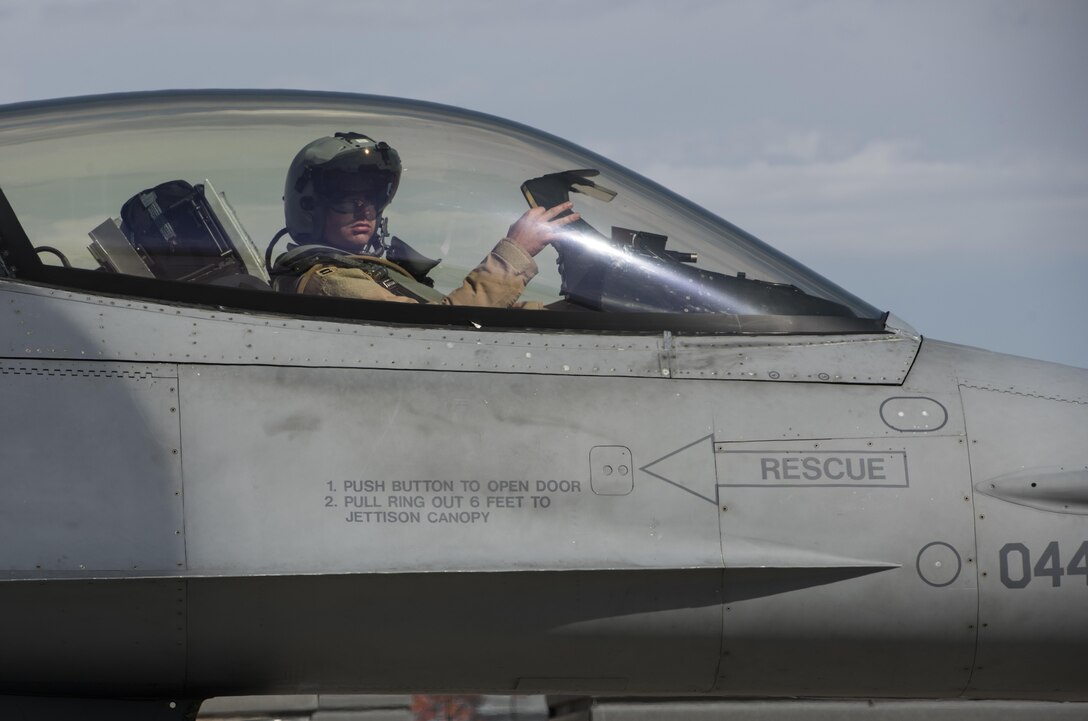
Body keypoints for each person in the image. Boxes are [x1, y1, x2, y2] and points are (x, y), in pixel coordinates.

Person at [270, 132, 579, 307]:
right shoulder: (331, 283)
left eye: (372, 199)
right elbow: (442, 331)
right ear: (311, 206)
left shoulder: (368, 274)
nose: (365, 210)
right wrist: (515, 252)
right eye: (348, 199)